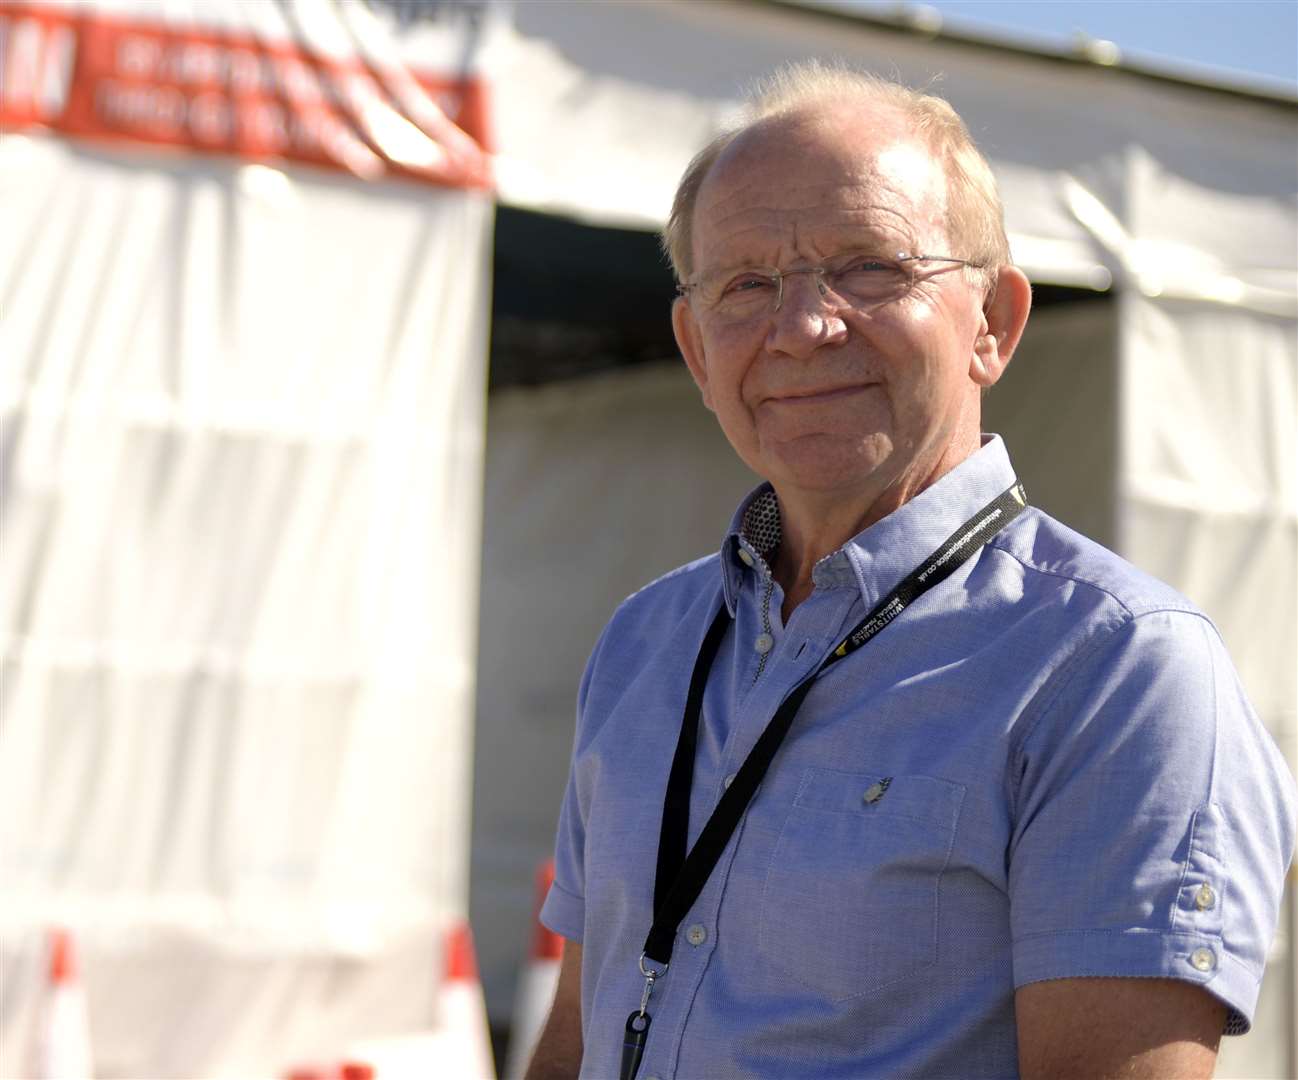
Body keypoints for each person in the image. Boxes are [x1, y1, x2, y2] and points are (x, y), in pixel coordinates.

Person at [525, 64, 1297, 1080]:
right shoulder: (646, 640)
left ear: (993, 323)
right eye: (746, 283)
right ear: (695, 347)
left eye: (869, 267)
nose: (803, 327)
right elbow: (583, 1027)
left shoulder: (1114, 672)